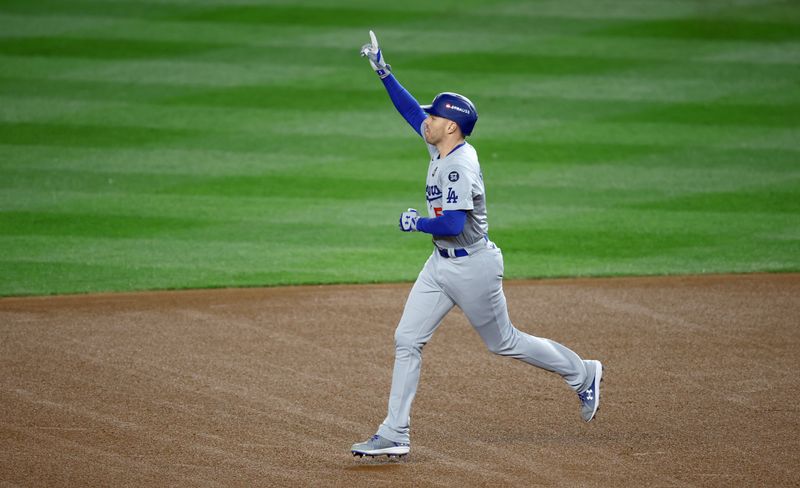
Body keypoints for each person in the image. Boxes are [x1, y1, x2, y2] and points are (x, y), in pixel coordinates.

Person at [351, 31, 603, 458]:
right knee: (407, 339)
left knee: (503, 341)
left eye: (434, 117)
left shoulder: (459, 167)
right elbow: (410, 111)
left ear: (450, 126)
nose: (424, 121)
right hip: (440, 265)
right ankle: (395, 433)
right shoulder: (442, 146)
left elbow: (452, 221)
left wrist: (414, 223)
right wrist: (383, 71)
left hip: (473, 267)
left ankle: (583, 373)